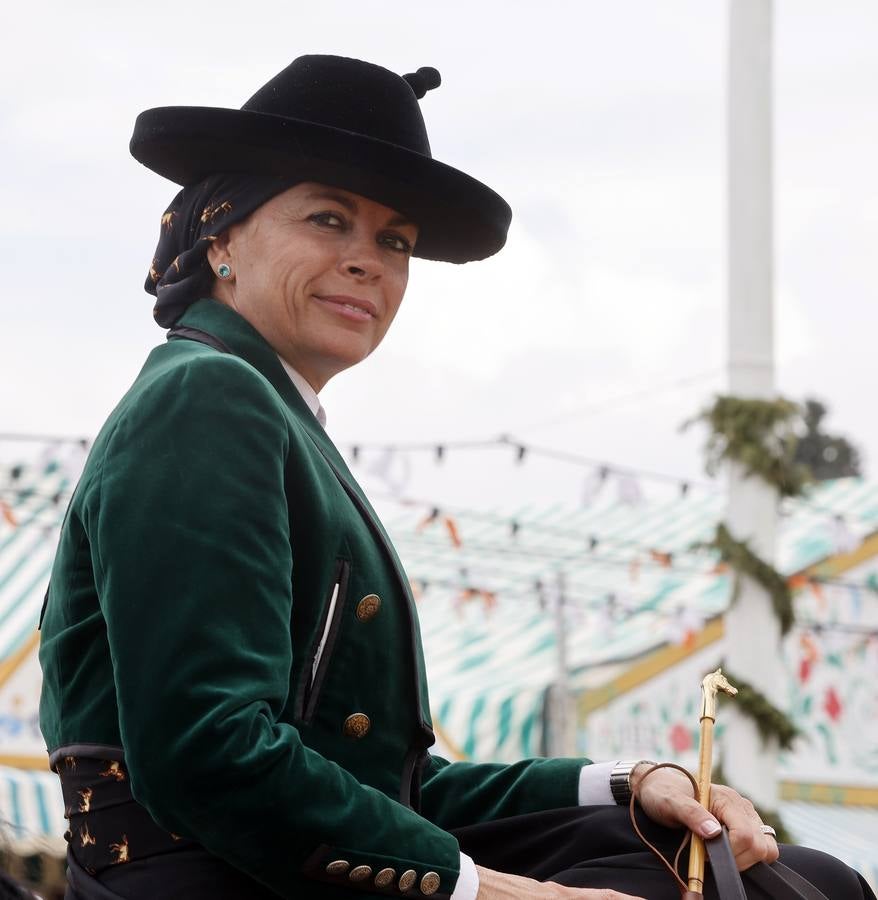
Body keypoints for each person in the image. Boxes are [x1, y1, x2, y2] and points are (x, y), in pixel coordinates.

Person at [37, 54, 875, 900]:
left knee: (780, 874)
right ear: (219, 235)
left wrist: (630, 785)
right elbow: (208, 755)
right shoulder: (208, 397)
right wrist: (501, 894)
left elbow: (391, 794)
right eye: (329, 219)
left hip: (278, 868)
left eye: (393, 240)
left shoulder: (261, 410)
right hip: (205, 883)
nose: (368, 260)